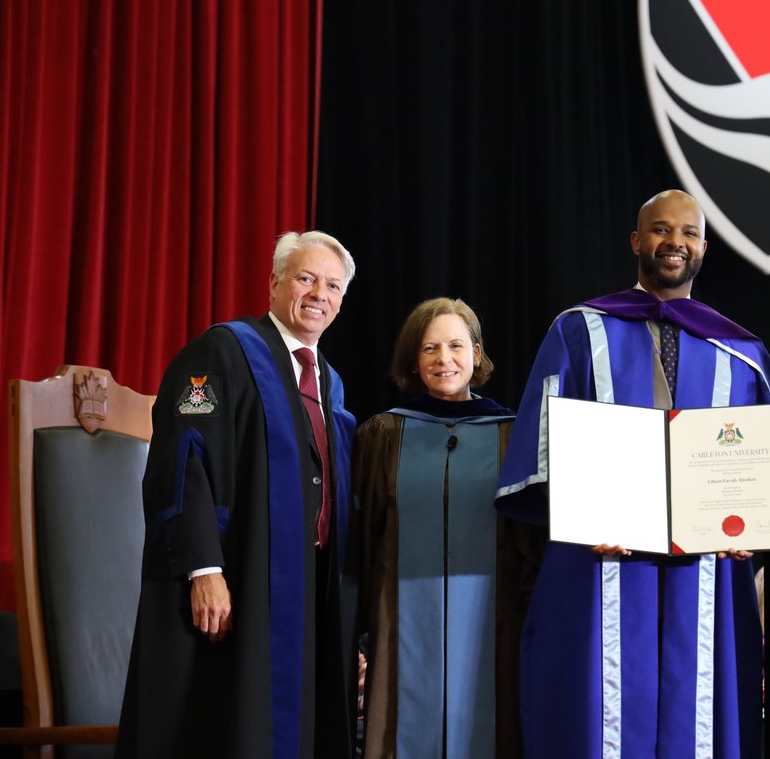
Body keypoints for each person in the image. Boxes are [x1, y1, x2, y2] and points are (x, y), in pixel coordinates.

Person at [497, 190, 770, 758]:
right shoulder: (579, 332)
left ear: (704, 247)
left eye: (689, 233)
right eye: (661, 229)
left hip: (705, 564)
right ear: (636, 241)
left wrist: (750, 525)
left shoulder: (741, 352)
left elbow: (761, 471)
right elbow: (540, 450)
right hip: (603, 557)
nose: (675, 242)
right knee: (603, 708)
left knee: (699, 705)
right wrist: (579, 516)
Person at [116, 231, 360, 758]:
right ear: (274, 283)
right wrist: (204, 569)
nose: (319, 294)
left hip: (310, 593)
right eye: (305, 278)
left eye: (332, 285)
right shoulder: (225, 352)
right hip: (239, 585)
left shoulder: (330, 385)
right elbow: (183, 460)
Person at [352, 297, 541, 758]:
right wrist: (357, 635)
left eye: (456, 346)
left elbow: (531, 544)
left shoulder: (511, 435)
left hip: (492, 624)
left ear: (476, 354)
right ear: (414, 360)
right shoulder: (383, 435)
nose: (444, 359)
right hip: (397, 623)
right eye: (430, 348)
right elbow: (362, 538)